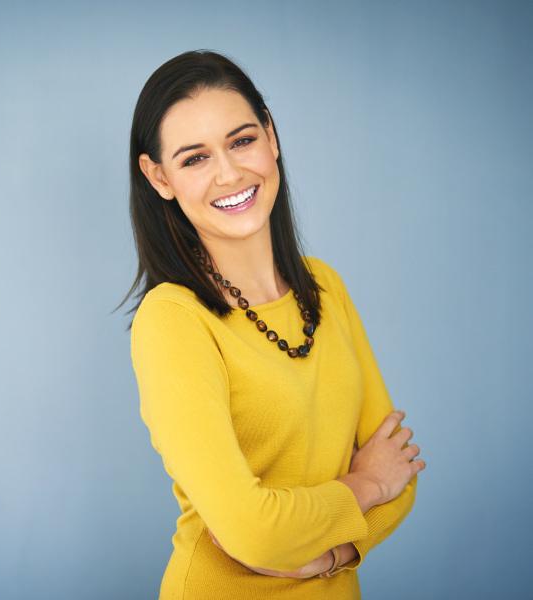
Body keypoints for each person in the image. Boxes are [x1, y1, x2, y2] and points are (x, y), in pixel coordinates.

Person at [126, 50, 425, 599]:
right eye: (194, 159)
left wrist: (333, 554)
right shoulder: (173, 320)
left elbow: (402, 475)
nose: (230, 173)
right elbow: (251, 531)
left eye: (242, 141)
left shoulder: (326, 287)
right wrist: (366, 483)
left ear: (271, 136)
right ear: (159, 177)